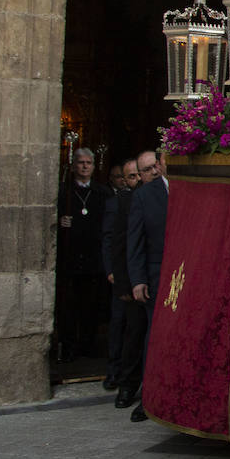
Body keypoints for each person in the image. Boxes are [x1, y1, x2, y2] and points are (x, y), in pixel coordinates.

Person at [125, 149, 168, 423]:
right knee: (154, 337)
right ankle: (148, 398)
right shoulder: (144, 196)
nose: (155, 170)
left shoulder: (190, 189)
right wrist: (138, 278)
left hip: (186, 275)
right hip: (156, 277)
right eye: (150, 167)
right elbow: (135, 240)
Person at [56, 148, 107, 364]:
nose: (85, 166)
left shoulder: (102, 192)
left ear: (94, 166)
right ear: (74, 165)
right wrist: (60, 222)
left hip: (93, 257)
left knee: (90, 306)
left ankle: (88, 345)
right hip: (71, 258)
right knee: (69, 307)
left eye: (89, 163)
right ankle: (68, 346)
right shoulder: (64, 191)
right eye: (80, 162)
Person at [101, 158, 142, 396]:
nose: (138, 179)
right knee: (120, 326)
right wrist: (114, 273)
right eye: (133, 176)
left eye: (141, 174)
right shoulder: (119, 202)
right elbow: (114, 242)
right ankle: (116, 373)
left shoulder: (148, 197)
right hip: (123, 277)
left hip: (141, 279)